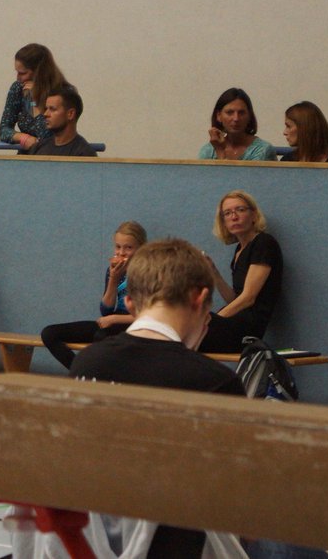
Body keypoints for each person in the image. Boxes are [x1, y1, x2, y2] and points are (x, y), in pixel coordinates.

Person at [71, 238, 245, 557]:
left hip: (96, 539)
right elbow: (231, 496)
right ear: (200, 299)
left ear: (129, 304)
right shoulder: (216, 382)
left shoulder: (85, 363)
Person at [40, 221, 147, 369]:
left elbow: (148, 316)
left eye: (128, 247)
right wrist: (113, 279)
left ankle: (97, 374)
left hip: (135, 325)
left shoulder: (147, 273)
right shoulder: (113, 271)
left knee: (101, 337)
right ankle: (80, 372)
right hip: (112, 323)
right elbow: (106, 311)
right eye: (118, 247)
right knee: (50, 333)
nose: (121, 252)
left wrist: (115, 318)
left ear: (141, 248)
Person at [196, 190, 282, 354]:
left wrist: (215, 319)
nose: (234, 217)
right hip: (236, 321)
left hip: (248, 329)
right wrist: (214, 272)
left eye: (240, 210)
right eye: (227, 213)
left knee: (185, 330)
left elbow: (248, 298)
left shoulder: (263, 243)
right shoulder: (239, 250)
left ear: (254, 215)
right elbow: (235, 299)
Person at [0, 43, 68, 150]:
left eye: (23, 73)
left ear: (39, 73)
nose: (18, 78)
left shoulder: (63, 92)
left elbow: (46, 136)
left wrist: (35, 102)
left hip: (55, 153)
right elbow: (3, 130)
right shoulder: (18, 88)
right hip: (28, 154)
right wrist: (23, 138)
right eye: (17, 72)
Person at [198, 87, 275, 161]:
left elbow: (235, 171)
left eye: (241, 113)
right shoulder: (208, 150)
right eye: (229, 112)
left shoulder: (263, 150)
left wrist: (221, 152)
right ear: (219, 116)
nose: (236, 118)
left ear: (249, 116)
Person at [25, 85, 97, 157]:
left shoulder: (84, 153)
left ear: (70, 114)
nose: (45, 114)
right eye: (46, 109)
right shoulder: (38, 148)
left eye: (52, 109)